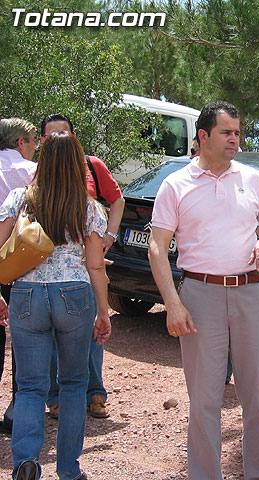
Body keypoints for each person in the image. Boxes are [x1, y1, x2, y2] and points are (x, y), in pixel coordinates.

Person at [148, 100, 259, 480]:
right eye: (227, 133)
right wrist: (172, 305)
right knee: (204, 402)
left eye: (238, 133)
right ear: (203, 136)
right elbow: (158, 247)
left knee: (257, 400)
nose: (235, 140)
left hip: (253, 295)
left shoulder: (252, 179)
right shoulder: (175, 185)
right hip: (199, 296)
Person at [0, 131, 111, 480]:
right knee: (74, 384)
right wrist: (104, 311)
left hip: (26, 294)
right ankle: (68, 470)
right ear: (78, 165)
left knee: (31, 385)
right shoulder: (90, 208)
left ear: (43, 162)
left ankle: (26, 463)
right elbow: (95, 265)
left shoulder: (20, 199)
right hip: (74, 294)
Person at [40, 113, 125, 420]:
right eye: (52, 136)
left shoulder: (92, 165)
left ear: (75, 138)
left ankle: (95, 394)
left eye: (65, 134)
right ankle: (56, 397)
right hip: (47, 274)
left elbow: (117, 200)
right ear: (41, 143)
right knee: (47, 337)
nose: (60, 140)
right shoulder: (36, 175)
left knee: (92, 332)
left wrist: (108, 237)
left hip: (86, 269)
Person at [0, 118, 38, 435]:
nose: (36, 147)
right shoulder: (29, 172)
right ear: (20, 143)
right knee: (24, 338)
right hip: (17, 263)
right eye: (33, 141)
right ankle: (17, 411)